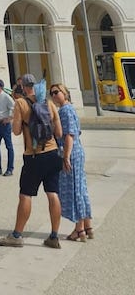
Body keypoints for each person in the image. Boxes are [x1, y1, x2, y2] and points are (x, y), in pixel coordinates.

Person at [0, 73, 63, 249]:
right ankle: (54, 236)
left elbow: (16, 131)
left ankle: (17, 235)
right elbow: (59, 133)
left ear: (23, 87)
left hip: (34, 156)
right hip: (52, 152)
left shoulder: (21, 103)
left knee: (26, 195)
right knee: (53, 193)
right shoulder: (48, 103)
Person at [50, 83, 93, 241]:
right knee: (81, 188)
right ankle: (88, 225)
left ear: (65, 93)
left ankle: (79, 229)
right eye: (52, 93)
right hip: (76, 152)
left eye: (57, 92)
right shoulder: (68, 109)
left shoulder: (65, 111)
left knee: (74, 191)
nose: (54, 95)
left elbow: (69, 135)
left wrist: (66, 156)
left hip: (71, 153)